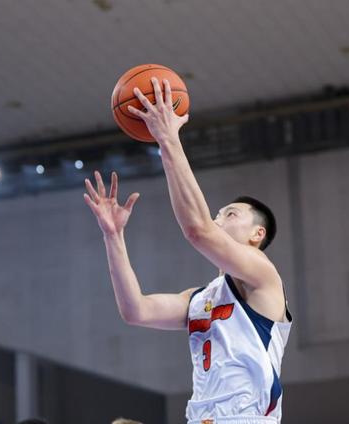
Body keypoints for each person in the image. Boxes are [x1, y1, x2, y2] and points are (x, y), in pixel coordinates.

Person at [84, 78, 292, 424]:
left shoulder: (263, 275)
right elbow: (136, 310)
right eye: (217, 213)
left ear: (258, 234)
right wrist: (113, 236)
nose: (218, 218)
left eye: (230, 214)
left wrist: (168, 139)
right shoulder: (199, 299)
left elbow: (198, 230)